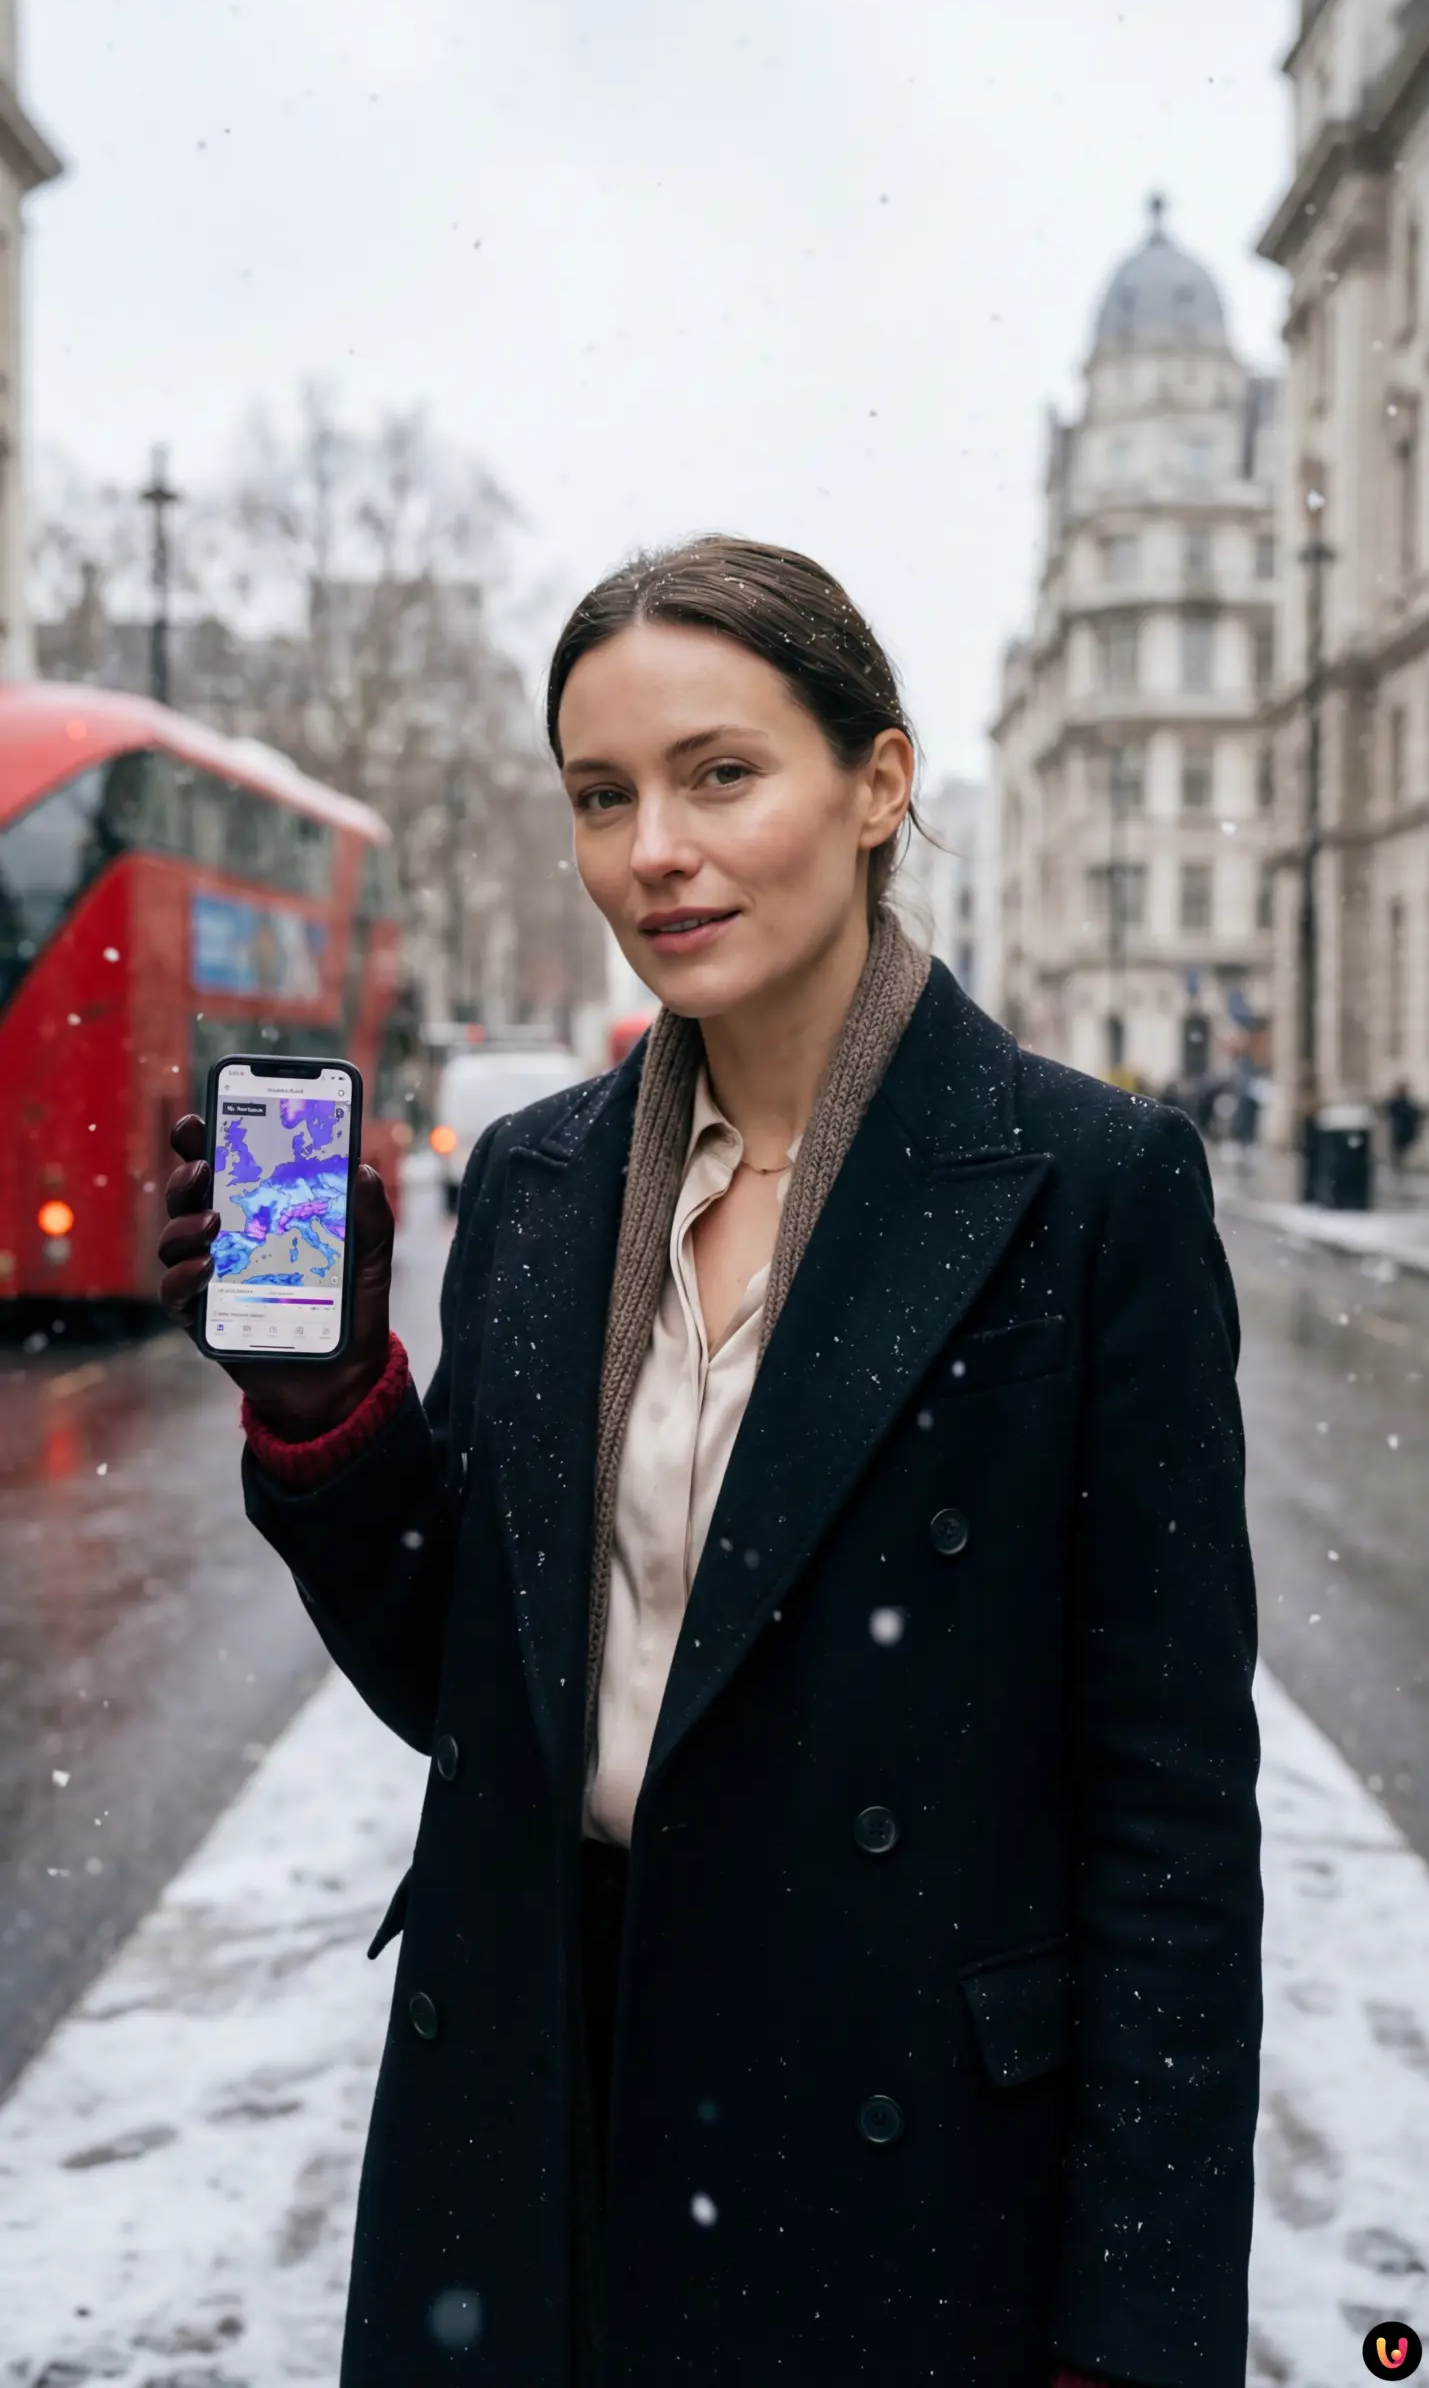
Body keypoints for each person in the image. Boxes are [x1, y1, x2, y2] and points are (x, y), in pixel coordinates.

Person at [159, 537, 1261, 2388]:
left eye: (718, 773)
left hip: (886, 2130)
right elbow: (466, 1687)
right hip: (530, 2089)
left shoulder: (1085, 1190)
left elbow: (1164, 1815)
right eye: (602, 796)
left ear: (876, 786)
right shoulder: (535, 1181)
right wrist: (324, 1398)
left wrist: (1130, 2323)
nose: (649, 849)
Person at [1382, 1077, 1423, 1180]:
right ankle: (1398, 1169)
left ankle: (1399, 1168)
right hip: (1399, 1130)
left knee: (1401, 1150)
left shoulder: (1407, 1103)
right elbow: (1388, 1110)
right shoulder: (1397, 1103)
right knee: (1398, 1151)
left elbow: (1416, 1115)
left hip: (1405, 1130)